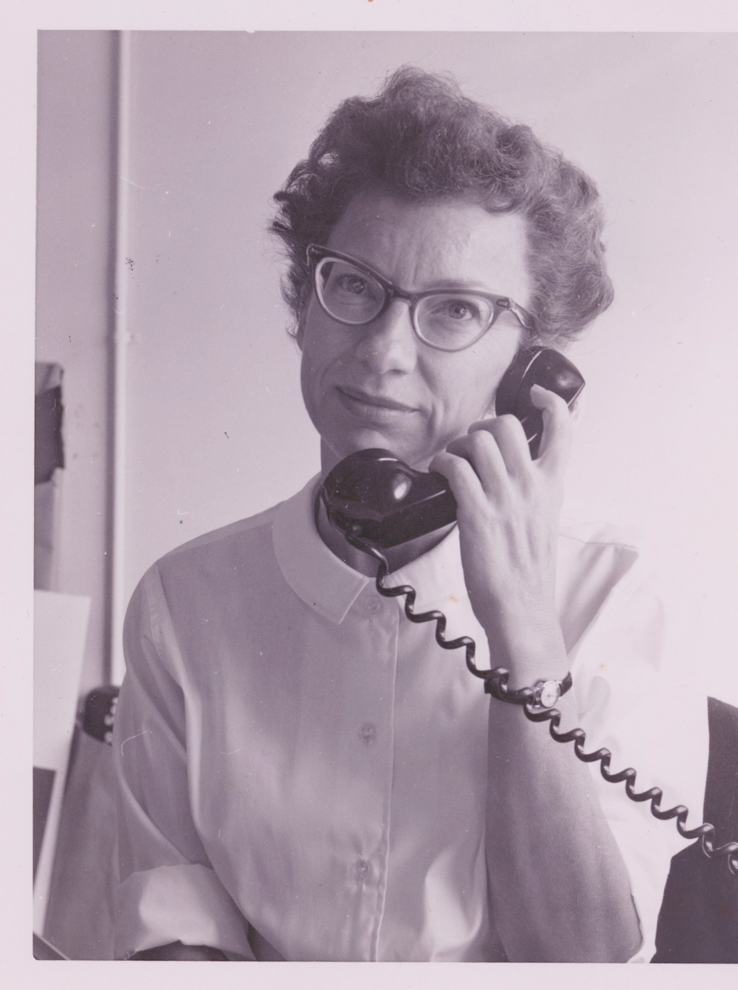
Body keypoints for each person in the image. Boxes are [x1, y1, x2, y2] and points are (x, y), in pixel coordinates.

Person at [113, 67, 707, 962]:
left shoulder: (613, 592)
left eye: (456, 310)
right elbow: (175, 940)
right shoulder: (182, 603)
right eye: (353, 287)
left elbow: (586, 964)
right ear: (306, 302)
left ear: (531, 370)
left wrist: (524, 640)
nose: (384, 352)